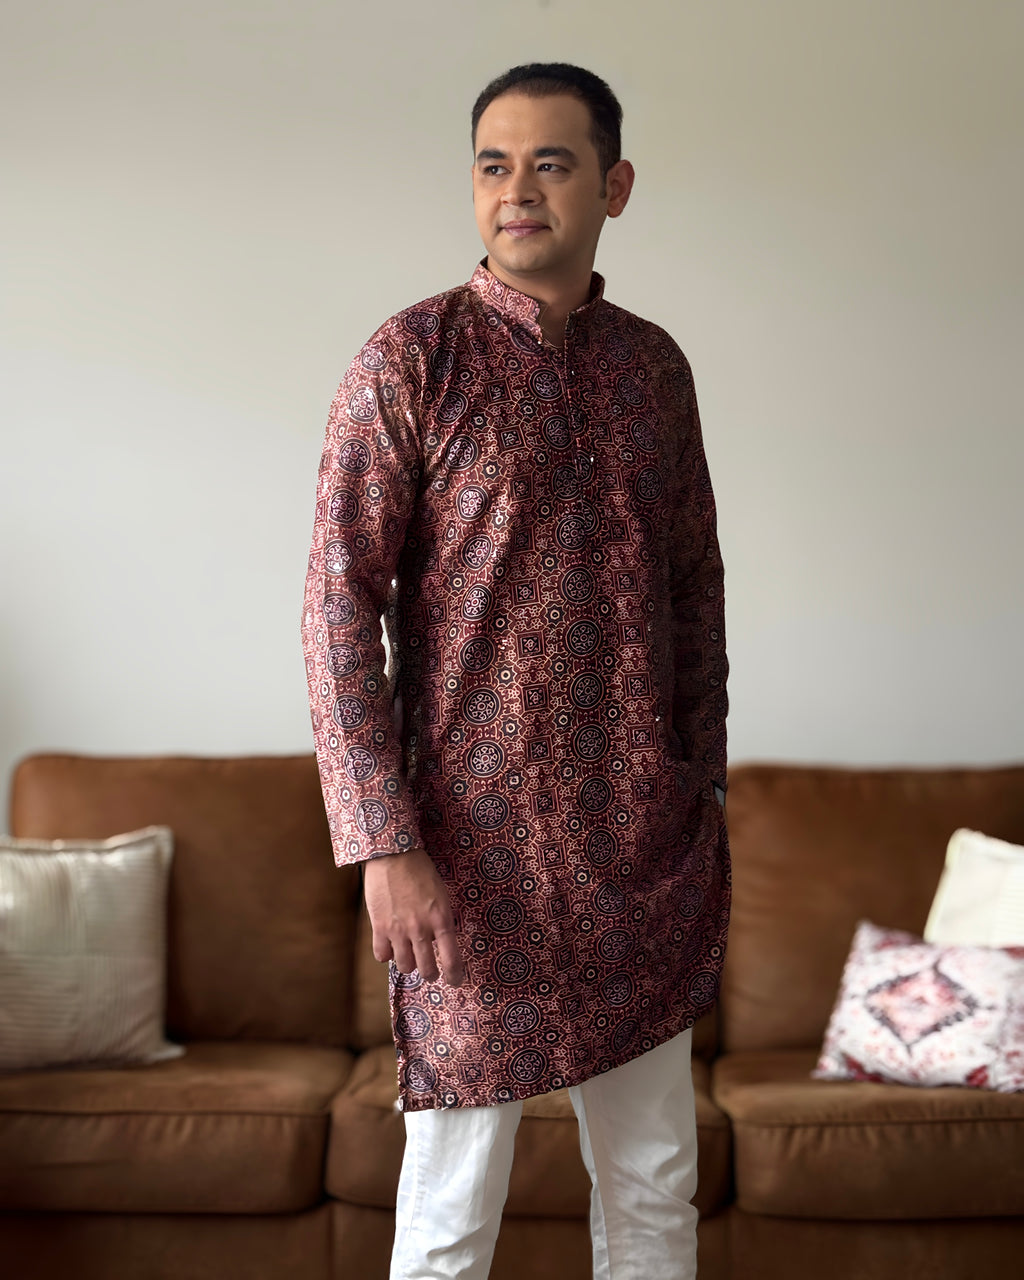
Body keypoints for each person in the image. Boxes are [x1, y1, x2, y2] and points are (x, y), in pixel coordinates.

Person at [301, 61, 730, 1280]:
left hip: (638, 857)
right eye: (494, 165)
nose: (518, 191)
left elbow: (693, 592)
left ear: (616, 185)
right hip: (467, 865)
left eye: (551, 162)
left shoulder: (654, 372)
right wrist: (382, 838)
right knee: (450, 1214)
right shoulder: (411, 360)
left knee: (653, 1188)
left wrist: (698, 794)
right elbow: (337, 607)